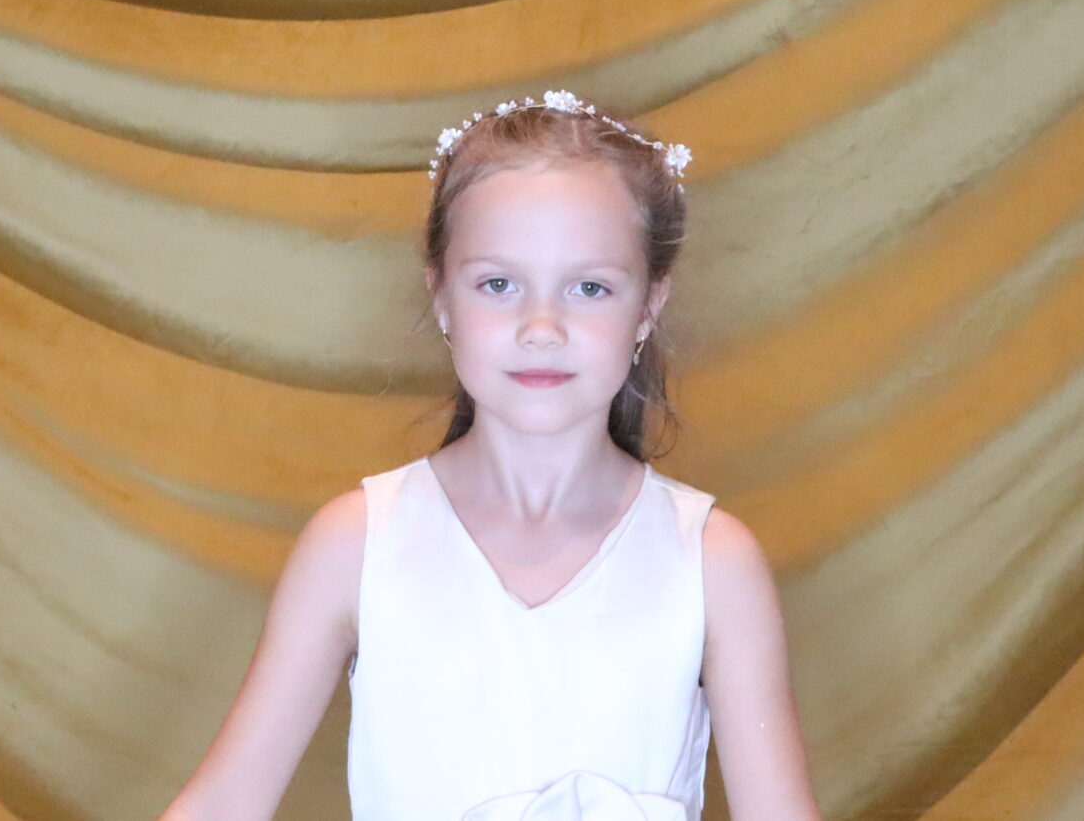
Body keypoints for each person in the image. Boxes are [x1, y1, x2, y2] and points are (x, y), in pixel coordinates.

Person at [160, 92, 823, 821]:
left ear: (648, 305)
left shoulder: (711, 563)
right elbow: (222, 803)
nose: (542, 327)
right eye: (499, 284)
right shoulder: (356, 545)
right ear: (442, 294)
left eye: (590, 287)